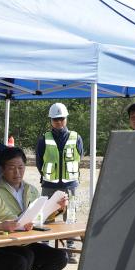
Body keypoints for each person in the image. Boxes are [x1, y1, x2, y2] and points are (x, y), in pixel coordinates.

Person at [0, 147, 69, 270]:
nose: (17, 172)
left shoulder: (30, 189)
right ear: (2, 168)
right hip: (6, 244)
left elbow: (42, 217)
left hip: (28, 241)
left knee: (60, 257)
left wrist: (57, 208)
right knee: (28, 255)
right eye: (12, 168)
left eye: (21, 167)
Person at [36, 102, 84, 261]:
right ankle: (45, 248)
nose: (59, 122)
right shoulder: (44, 139)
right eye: (55, 119)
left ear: (66, 119)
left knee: (70, 215)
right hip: (49, 184)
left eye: (61, 119)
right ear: (51, 120)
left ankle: (70, 248)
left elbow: (80, 157)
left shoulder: (76, 137)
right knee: (47, 215)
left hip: (70, 184)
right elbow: (38, 161)